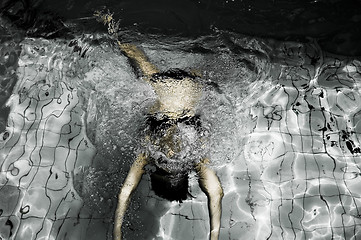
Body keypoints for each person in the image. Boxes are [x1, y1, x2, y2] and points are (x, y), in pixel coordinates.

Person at [94, 9, 224, 240]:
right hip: (179, 86)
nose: (170, 156)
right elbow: (216, 192)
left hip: (172, 86)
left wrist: (116, 233)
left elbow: (126, 191)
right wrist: (214, 236)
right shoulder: (192, 157)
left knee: (135, 57)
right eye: (173, 168)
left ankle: (109, 21)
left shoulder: (154, 153)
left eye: (165, 167)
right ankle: (110, 22)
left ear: (155, 169)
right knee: (141, 58)